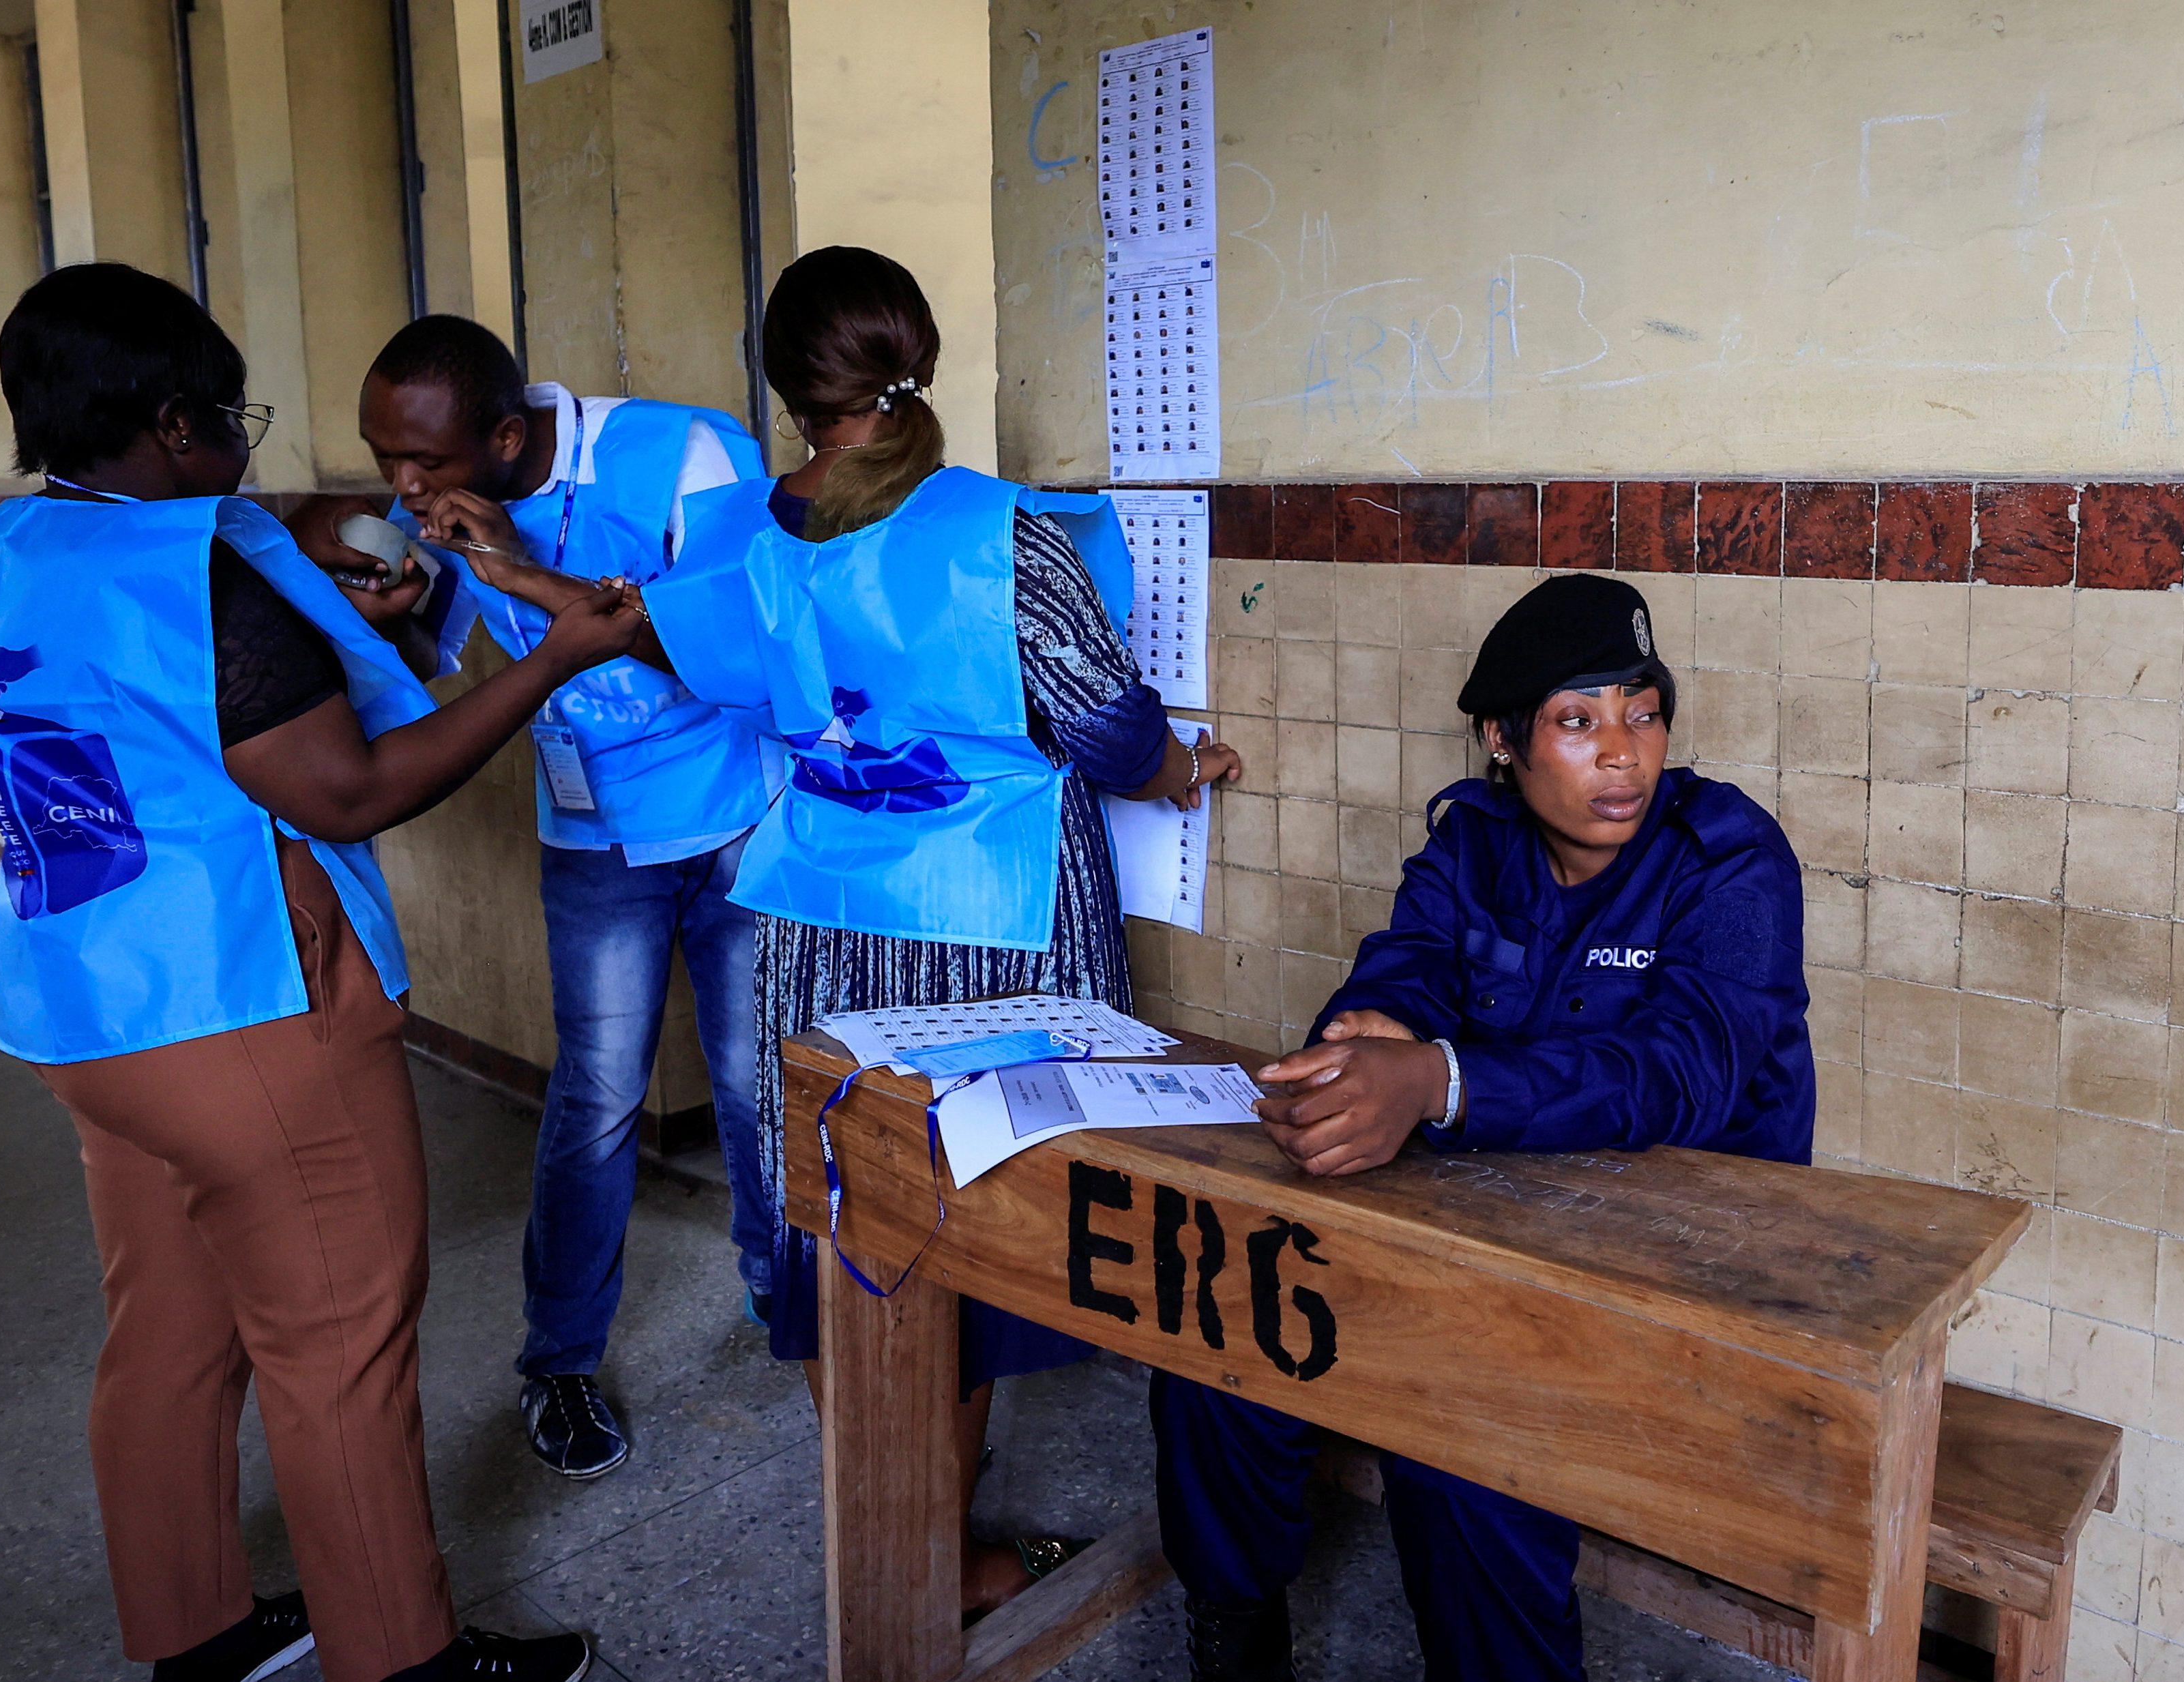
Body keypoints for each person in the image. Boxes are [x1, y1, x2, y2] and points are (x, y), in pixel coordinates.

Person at [468, 246, 1243, 1617]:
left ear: (784, 388)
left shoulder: (742, 541)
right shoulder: (998, 534)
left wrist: (512, 580)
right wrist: (1185, 771)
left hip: (817, 928)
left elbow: (654, 639)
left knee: (840, 1219)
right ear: (917, 356)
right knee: (974, 1222)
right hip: (996, 929)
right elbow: (1112, 731)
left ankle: (887, 1540)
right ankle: (933, 1563)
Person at [0, 264, 643, 1682]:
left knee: (167, 1334)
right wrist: (552, 661)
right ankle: (402, 1660)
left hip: (92, 1008)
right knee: (339, 1347)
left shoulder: (3, 553)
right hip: (242, 1007)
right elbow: (350, 790)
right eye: (228, 413)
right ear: (171, 420)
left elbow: (157, 721)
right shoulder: (193, 572)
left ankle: (195, 1636)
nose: (239, 441)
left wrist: (346, 602)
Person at [1149, 574, 1814, 1682]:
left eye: (1644, 713)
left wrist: (1438, 1080)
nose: (1623, 753)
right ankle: (1237, 1631)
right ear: (1502, 740)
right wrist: (1367, 1033)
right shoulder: (1474, 843)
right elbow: (1406, 964)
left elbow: (1679, 1076)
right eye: (1578, 720)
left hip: (1684, 1276)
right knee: (1222, 1326)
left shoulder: (1730, 859)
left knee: (1460, 1452)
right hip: (1496, 1241)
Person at [289, 319, 773, 1484]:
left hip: (739, 819)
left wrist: (518, 571)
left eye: (425, 463)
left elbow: (740, 646)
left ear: (507, 438)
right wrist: (397, 610)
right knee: (597, 1098)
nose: (405, 487)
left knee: (758, 1082)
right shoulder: (439, 505)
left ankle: (789, 1300)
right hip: (593, 836)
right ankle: (559, 1361)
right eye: (386, 460)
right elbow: (422, 673)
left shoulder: (686, 454)